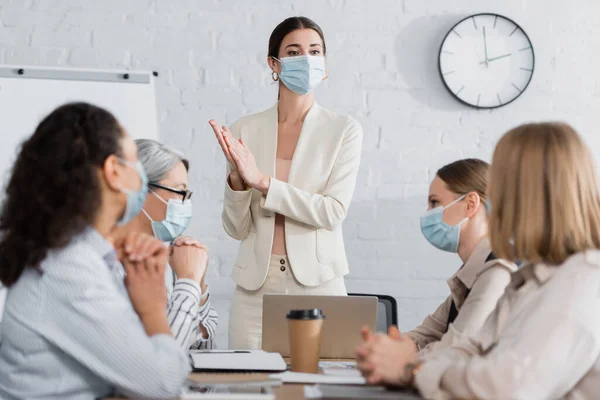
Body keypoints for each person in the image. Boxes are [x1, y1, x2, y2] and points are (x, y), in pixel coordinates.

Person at [357, 122, 600, 399]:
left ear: (529, 193)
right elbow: (471, 350)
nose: (494, 202)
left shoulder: (582, 283)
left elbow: (506, 389)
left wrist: (411, 370)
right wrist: (405, 363)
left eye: (501, 186)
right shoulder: (532, 279)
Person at [0, 103, 189, 399]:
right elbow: (163, 384)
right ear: (114, 171)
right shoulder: (68, 271)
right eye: (133, 161)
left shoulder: (87, 258)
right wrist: (153, 306)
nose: (140, 174)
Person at [209, 16, 363, 349]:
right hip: (255, 290)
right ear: (274, 63)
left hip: (318, 285)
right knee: (252, 391)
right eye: (294, 51)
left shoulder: (343, 130)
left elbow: (332, 212)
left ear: (324, 61)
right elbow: (236, 229)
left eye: (315, 50)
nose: (306, 59)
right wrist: (237, 182)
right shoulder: (244, 130)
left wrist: (263, 182)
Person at [404, 159, 517, 355]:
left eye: (435, 202)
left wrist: (397, 356)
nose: (428, 213)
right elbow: (426, 333)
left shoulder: (497, 273)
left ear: (470, 204)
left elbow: (455, 350)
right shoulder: (470, 276)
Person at [116, 139, 218, 349]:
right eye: (180, 192)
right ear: (139, 189)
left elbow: (204, 352)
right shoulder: (111, 265)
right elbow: (163, 360)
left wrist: (198, 283)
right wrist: (188, 280)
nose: (185, 203)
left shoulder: (161, 256)